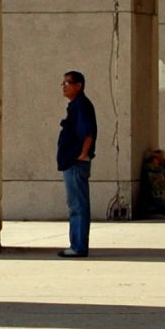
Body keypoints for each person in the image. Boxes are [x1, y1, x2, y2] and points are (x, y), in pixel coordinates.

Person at [57, 71, 97, 257]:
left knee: (78, 206)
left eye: (68, 83)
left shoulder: (81, 105)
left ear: (79, 85)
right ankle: (76, 244)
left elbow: (87, 133)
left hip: (76, 163)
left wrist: (82, 155)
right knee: (75, 205)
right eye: (63, 83)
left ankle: (78, 246)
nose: (64, 86)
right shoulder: (76, 105)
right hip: (71, 162)